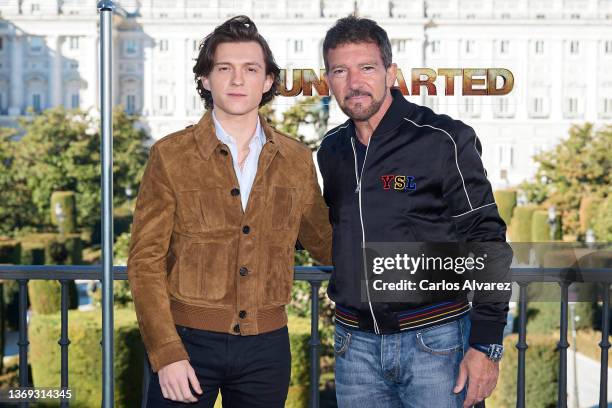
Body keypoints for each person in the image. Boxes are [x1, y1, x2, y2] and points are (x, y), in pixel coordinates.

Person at [127, 15, 331, 407]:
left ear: (268, 81)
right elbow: (145, 260)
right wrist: (166, 352)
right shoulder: (170, 155)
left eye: (251, 69)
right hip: (186, 345)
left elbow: (327, 243)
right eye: (225, 68)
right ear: (205, 79)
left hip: (267, 352)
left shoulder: (297, 158)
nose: (238, 80)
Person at [317, 16, 513, 408]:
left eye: (367, 68)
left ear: (391, 73)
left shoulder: (443, 138)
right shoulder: (332, 150)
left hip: (435, 344)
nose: (354, 82)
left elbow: (487, 238)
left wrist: (486, 345)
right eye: (341, 71)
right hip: (353, 348)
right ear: (329, 81)